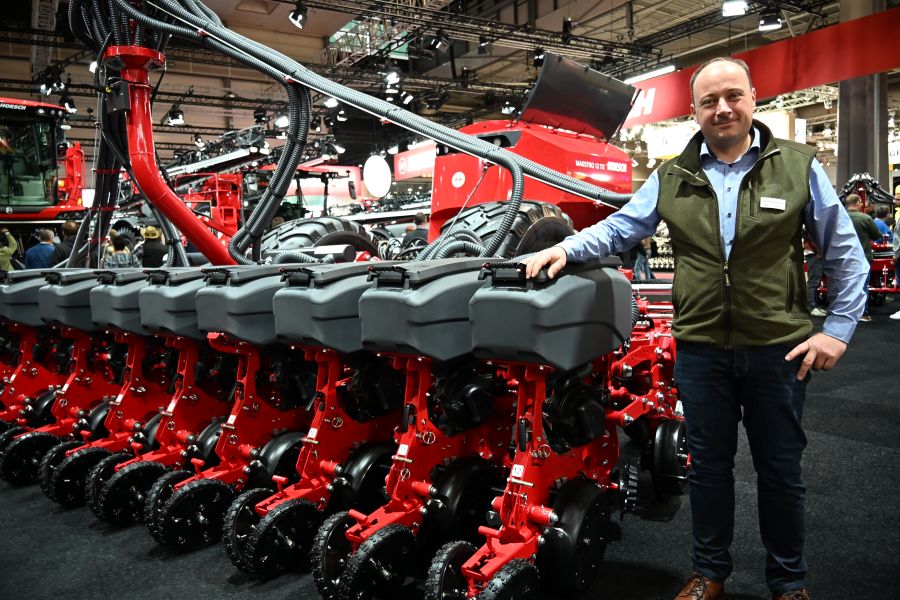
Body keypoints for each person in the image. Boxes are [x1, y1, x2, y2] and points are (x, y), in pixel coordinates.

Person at [523, 57, 868, 600]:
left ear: (754, 99)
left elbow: (846, 254)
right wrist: (564, 247)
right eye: (709, 101)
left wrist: (839, 330)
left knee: (781, 472)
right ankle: (709, 575)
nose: (722, 108)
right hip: (702, 350)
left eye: (733, 96)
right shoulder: (672, 176)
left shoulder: (797, 165)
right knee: (707, 470)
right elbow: (620, 228)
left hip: (778, 348)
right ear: (694, 110)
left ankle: (789, 582)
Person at [844, 193, 879, 322]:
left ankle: (843, 313)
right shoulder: (865, 218)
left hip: (843, 257)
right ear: (858, 203)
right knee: (862, 285)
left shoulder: (839, 217)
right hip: (862, 256)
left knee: (843, 285)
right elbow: (876, 236)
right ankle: (863, 313)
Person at [803, 234, 826, 318]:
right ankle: (811, 308)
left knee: (815, 282)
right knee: (813, 282)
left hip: (814, 253)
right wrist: (818, 252)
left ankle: (813, 306)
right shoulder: (811, 225)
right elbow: (811, 238)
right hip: (813, 254)